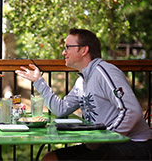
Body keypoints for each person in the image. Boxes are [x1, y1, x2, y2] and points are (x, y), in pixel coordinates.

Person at [15, 28, 152, 160]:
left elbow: (132, 111)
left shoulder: (104, 72)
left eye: (68, 47)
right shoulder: (82, 80)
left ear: (84, 50)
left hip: (131, 144)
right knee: (50, 158)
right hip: (101, 143)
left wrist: (105, 137)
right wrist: (39, 81)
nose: (63, 52)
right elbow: (61, 109)